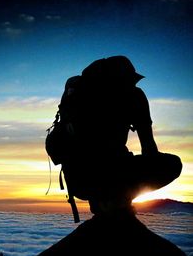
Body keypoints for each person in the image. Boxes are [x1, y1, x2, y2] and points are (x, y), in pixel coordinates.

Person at [69, 55, 182, 215]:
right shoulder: (134, 96)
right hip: (115, 173)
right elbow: (149, 149)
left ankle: (104, 203)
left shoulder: (80, 95)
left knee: (105, 170)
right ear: (123, 79)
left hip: (79, 180)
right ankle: (116, 203)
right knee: (173, 164)